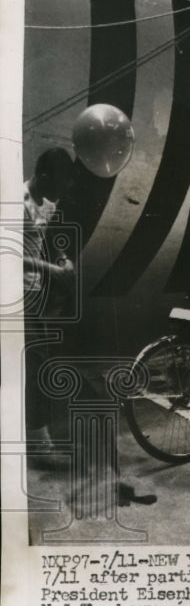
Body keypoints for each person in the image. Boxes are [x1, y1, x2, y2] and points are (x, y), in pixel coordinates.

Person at [23, 147, 77, 450]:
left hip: (32, 294)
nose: (59, 193)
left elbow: (50, 240)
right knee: (36, 364)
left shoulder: (48, 204)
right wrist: (50, 271)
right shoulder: (17, 203)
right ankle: (38, 441)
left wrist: (62, 258)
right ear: (42, 175)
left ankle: (34, 435)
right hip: (11, 295)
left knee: (38, 362)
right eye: (57, 185)